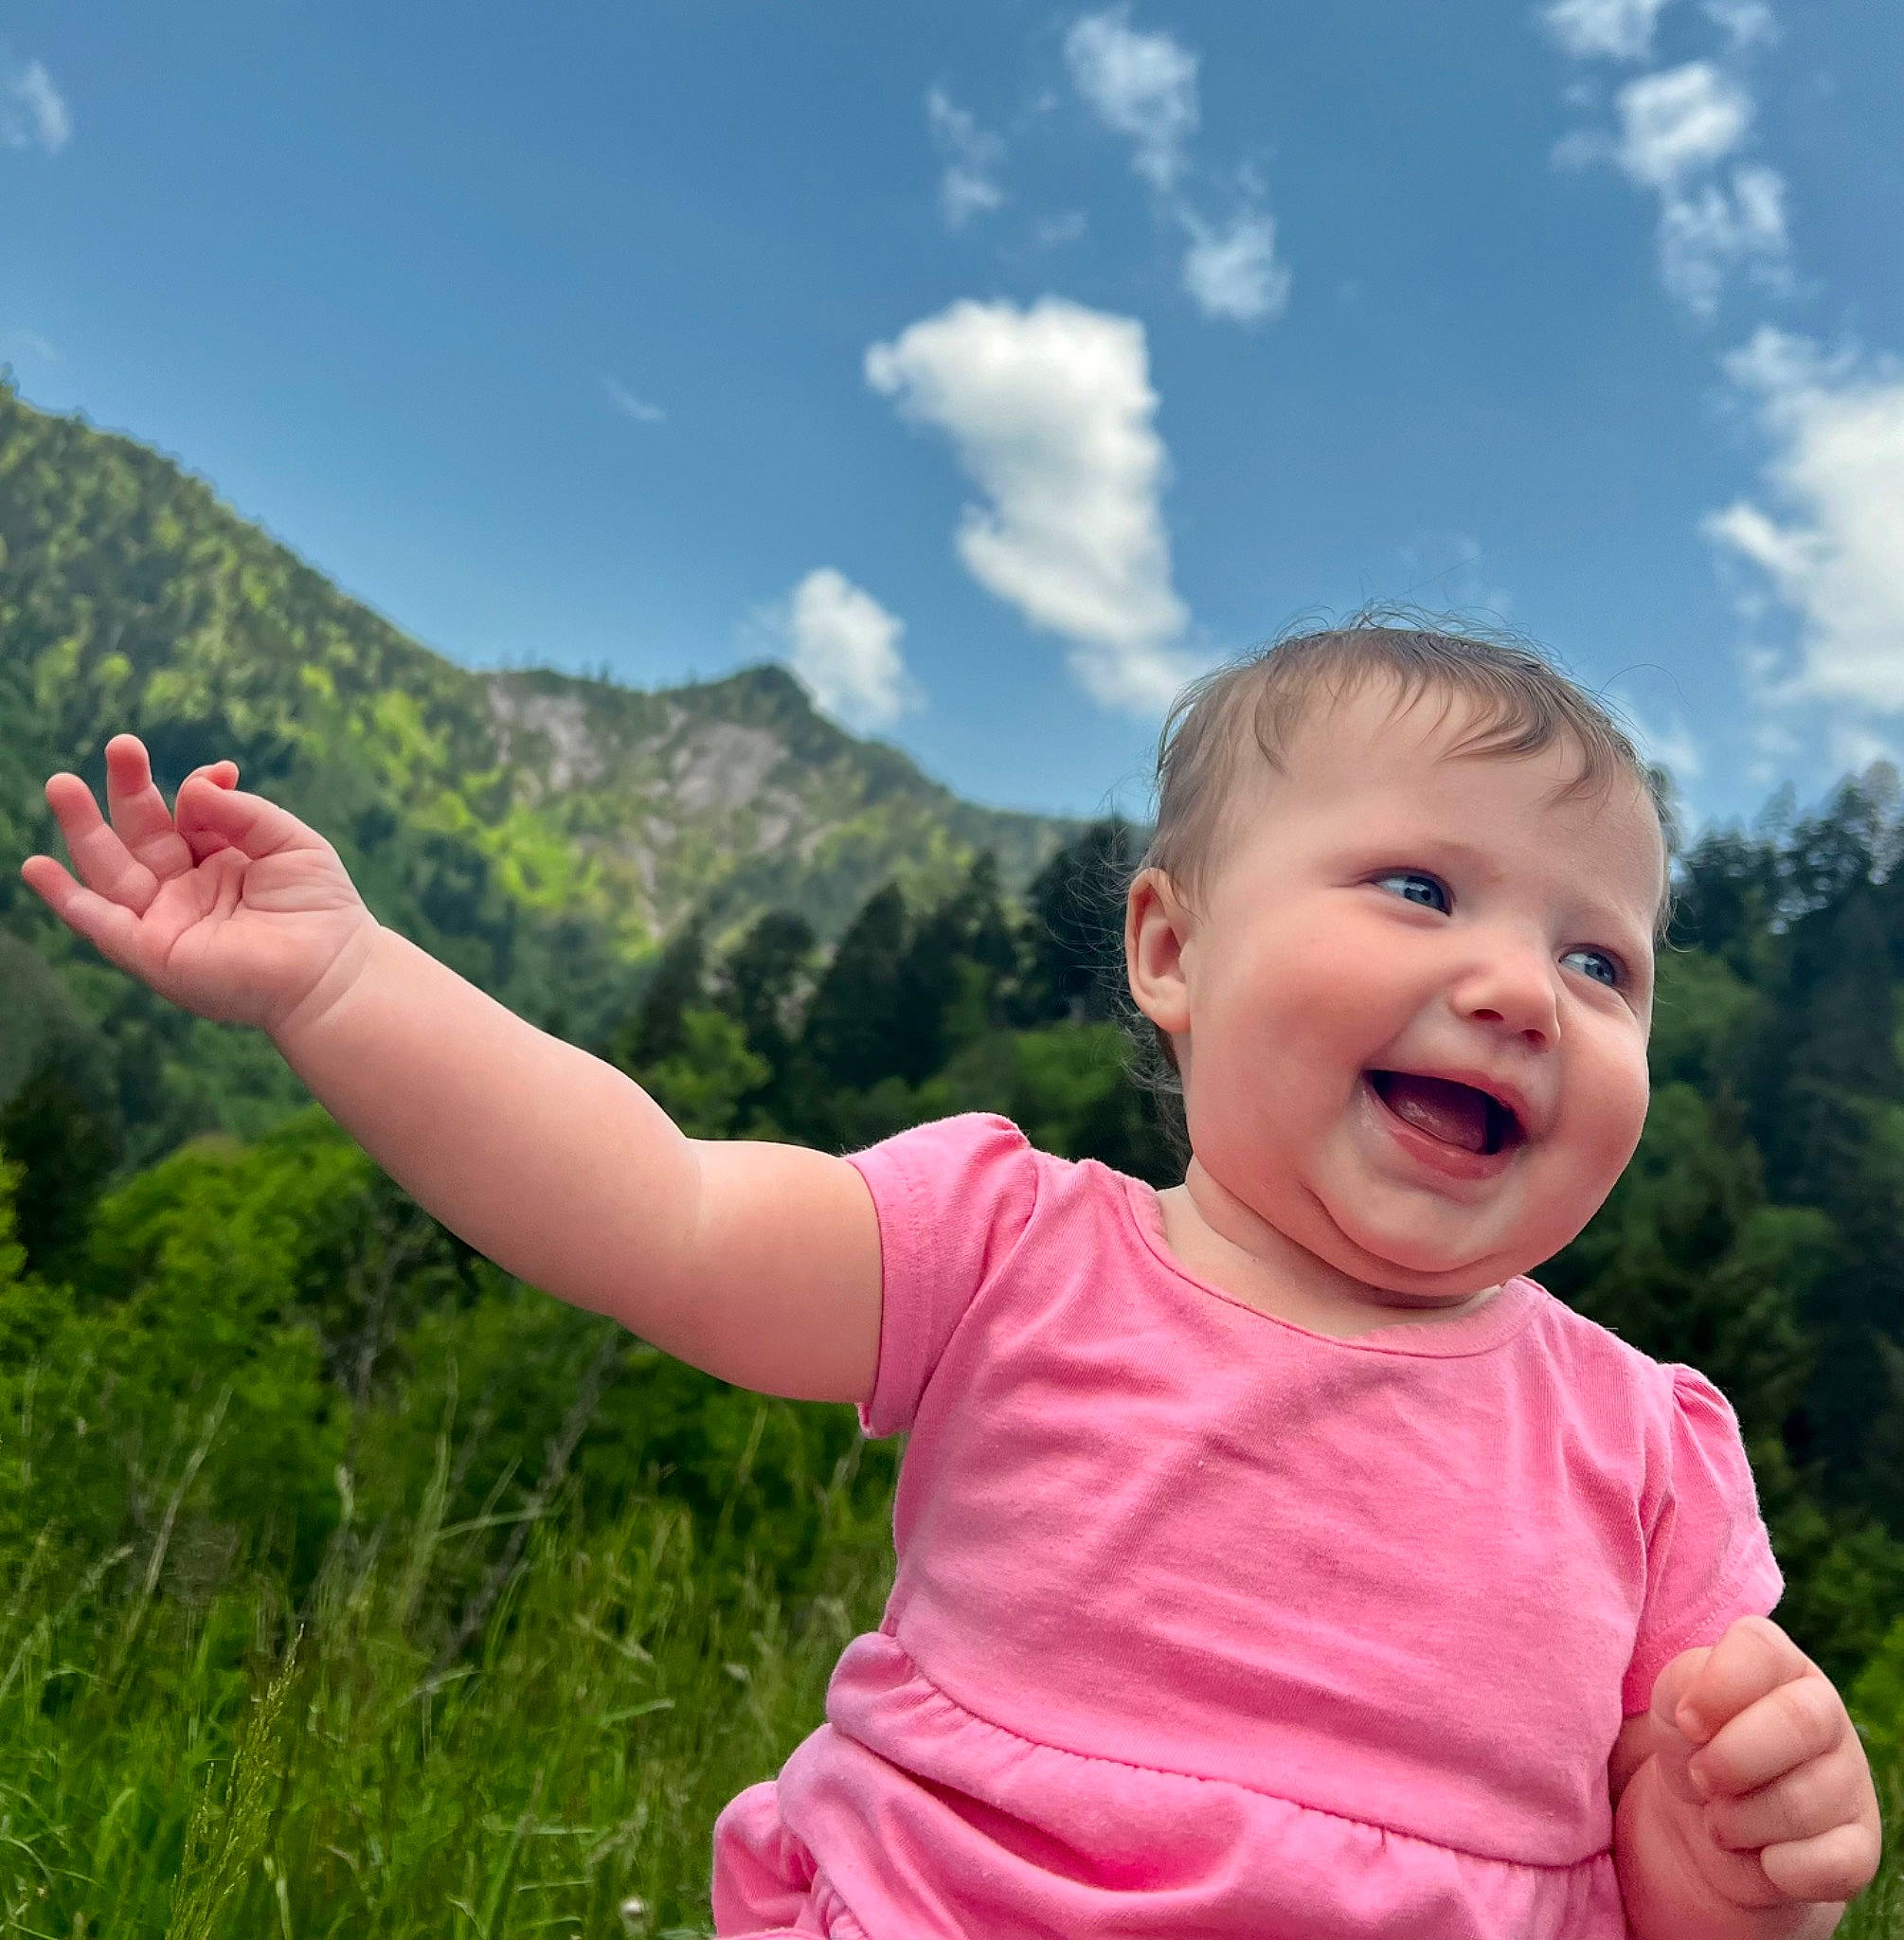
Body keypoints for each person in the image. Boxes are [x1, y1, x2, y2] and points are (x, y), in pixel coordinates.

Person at [21, 626, 1880, 1939]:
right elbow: (650, 1208)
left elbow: (1678, 1901)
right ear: (1171, 943)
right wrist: (346, 988)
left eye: (1602, 960)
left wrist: (1736, 1870)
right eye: (1419, 887)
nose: (1517, 987)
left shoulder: (1651, 1448)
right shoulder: (1011, 1251)